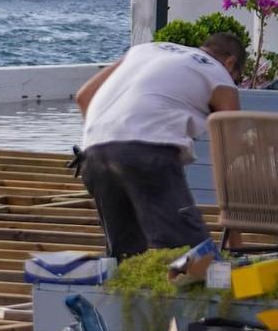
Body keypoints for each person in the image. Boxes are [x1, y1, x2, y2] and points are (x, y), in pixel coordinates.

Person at [73, 33, 243, 258]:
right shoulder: (218, 73)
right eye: (238, 78)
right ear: (231, 62)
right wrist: (237, 245)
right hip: (146, 151)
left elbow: (84, 96)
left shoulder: (146, 50)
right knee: (194, 259)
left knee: (126, 261)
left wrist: (108, 145)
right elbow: (229, 156)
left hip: (94, 154)